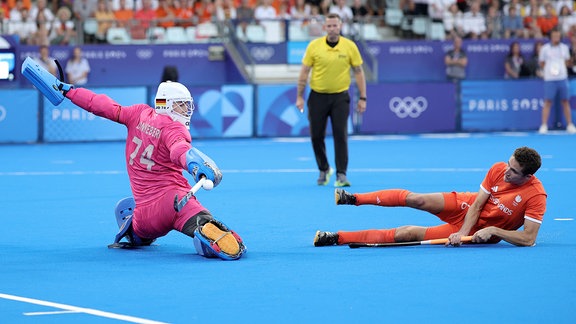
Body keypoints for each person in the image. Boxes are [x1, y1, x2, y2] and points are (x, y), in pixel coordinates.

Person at [29, 65, 246, 259]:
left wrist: (69, 90)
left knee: (139, 225)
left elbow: (101, 105)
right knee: (203, 221)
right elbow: (180, 149)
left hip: (146, 216)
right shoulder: (174, 128)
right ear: (167, 105)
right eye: (181, 106)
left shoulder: (138, 114)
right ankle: (204, 234)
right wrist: (195, 165)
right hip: (176, 201)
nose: (185, 111)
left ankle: (133, 231)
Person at [314, 147, 547, 248]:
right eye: (508, 164)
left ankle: (336, 237)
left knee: (407, 234)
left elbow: (528, 239)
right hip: (467, 208)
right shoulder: (498, 169)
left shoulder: (536, 196)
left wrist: (494, 231)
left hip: (482, 232)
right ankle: (353, 198)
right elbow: (477, 204)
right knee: (418, 199)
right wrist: (463, 231)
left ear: (528, 176)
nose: (506, 171)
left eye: (513, 171)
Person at [296, 13, 367, 187]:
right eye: (329, 26)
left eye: (335, 25)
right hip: (317, 96)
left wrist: (363, 97)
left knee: (340, 135)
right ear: (324, 28)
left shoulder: (350, 46)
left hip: (340, 97)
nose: (332, 28)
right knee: (316, 136)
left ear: (340, 26)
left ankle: (341, 174)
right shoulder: (314, 46)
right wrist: (299, 96)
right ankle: (324, 169)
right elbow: (304, 71)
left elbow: (358, 72)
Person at [538, 28, 576, 134]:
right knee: (547, 102)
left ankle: (569, 125)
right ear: (550, 37)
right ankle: (544, 125)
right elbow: (541, 63)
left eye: (558, 36)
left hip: (562, 78)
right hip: (550, 79)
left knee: (565, 101)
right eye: (554, 36)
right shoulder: (545, 49)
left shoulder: (564, 48)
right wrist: (550, 70)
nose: (556, 38)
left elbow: (567, 62)